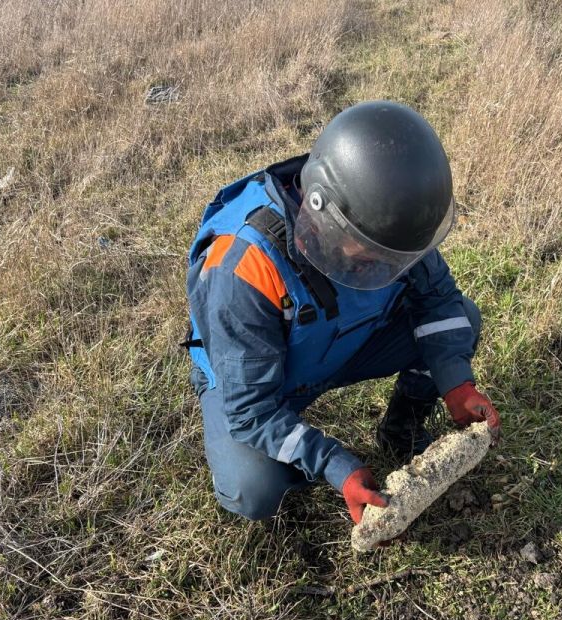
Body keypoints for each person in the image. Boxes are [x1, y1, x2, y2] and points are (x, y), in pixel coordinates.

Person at [184, 100, 500, 525]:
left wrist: (456, 382)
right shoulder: (243, 267)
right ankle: (290, 466)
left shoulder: (389, 224)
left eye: (396, 259)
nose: (387, 267)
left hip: (350, 341)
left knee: (463, 319)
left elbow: (438, 301)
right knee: (253, 489)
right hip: (263, 380)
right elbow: (250, 410)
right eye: (371, 256)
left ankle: (402, 428)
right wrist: (335, 465)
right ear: (322, 214)